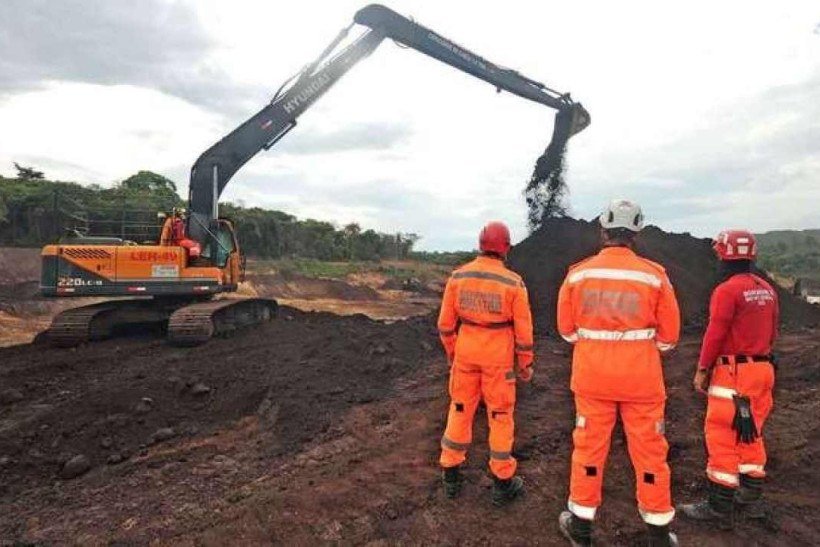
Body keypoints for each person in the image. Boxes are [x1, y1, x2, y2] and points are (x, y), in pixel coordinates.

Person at [556, 200, 680, 547]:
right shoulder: (654, 276)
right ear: (636, 234)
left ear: (603, 230)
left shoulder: (578, 273)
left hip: (592, 377)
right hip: (642, 379)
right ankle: (658, 531)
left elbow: (567, 331)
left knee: (589, 447)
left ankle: (580, 524)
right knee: (650, 450)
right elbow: (669, 338)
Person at [678, 230, 779, 528]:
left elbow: (716, 332)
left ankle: (719, 503)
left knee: (721, 433)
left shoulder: (727, 290)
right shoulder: (767, 289)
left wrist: (703, 368)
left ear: (724, 254)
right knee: (751, 430)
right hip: (763, 370)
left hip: (735, 374)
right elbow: (773, 332)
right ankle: (751, 492)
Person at [437, 221, 534, 507]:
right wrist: (525, 363)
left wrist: (454, 353)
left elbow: (445, 325)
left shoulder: (458, 277)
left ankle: (451, 475)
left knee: (459, 408)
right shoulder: (513, 283)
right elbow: (524, 331)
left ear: (480, 245)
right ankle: (503, 483)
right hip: (498, 357)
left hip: (466, 352)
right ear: (506, 249)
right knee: (500, 416)